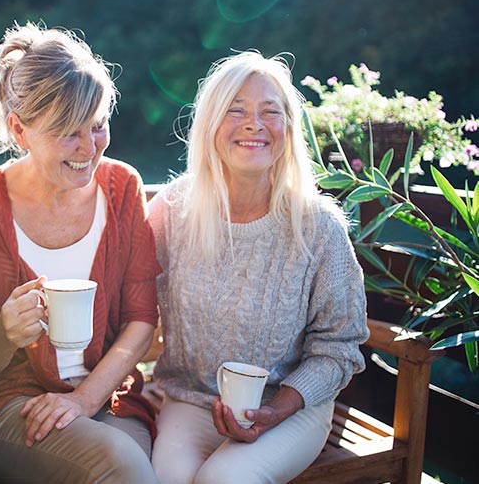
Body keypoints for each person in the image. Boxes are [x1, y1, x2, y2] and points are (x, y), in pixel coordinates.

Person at [0, 22, 160, 484]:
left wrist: (83, 400)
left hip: (107, 398)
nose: (90, 149)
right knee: (123, 467)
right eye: (69, 133)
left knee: (132, 465)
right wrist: (6, 332)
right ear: (19, 129)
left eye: (98, 126)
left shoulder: (123, 188)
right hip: (10, 406)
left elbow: (141, 321)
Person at [148, 51, 369, 484]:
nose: (255, 123)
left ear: (289, 129)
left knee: (225, 480)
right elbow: (127, 301)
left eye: (271, 112)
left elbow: (340, 346)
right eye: (236, 110)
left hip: (291, 407)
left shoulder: (319, 228)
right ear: (210, 123)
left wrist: (277, 409)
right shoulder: (173, 210)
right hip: (192, 399)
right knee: (165, 479)